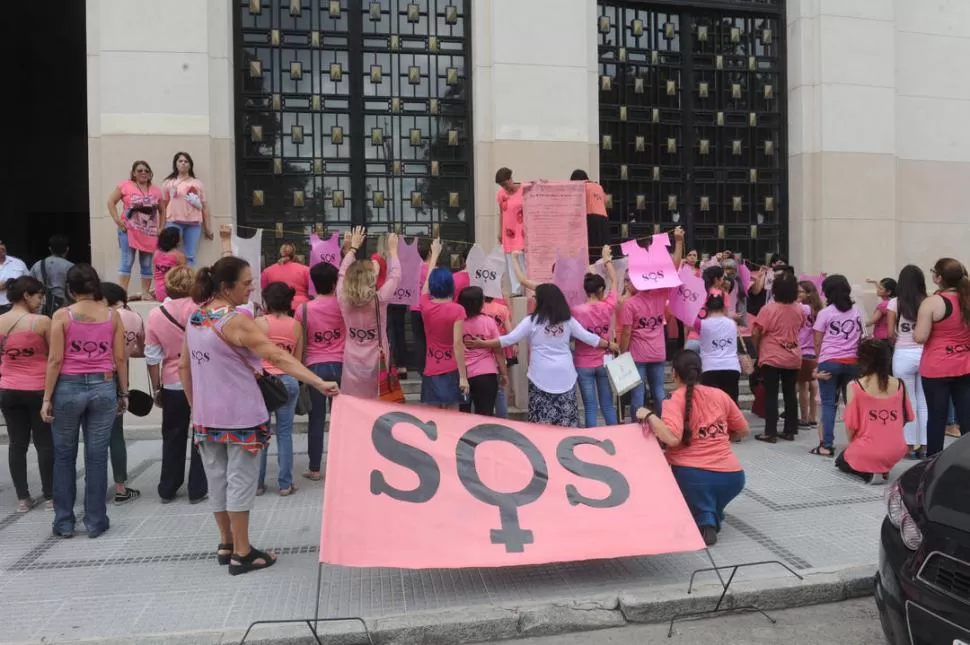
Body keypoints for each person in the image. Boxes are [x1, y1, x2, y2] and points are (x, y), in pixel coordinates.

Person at [179, 256, 339, 575]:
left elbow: (185, 366)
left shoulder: (196, 316)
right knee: (240, 481)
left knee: (217, 481)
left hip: (205, 416)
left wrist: (196, 406)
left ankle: (226, 543)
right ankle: (243, 552)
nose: (252, 289)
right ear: (227, 287)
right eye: (246, 283)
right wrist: (318, 381)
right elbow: (276, 355)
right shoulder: (235, 320)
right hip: (240, 415)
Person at [42, 264, 129, 538]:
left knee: (64, 455)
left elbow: (55, 359)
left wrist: (47, 398)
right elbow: (120, 359)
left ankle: (64, 521)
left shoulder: (62, 316)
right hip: (104, 386)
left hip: (68, 386)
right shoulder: (113, 316)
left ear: (70, 289)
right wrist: (123, 392)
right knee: (97, 455)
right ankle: (95, 520)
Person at [637, 350, 749, 546]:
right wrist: (718, 438)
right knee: (706, 502)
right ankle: (709, 517)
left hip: (694, 477)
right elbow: (742, 429)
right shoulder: (720, 395)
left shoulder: (674, 400)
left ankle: (705, 519)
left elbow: (672, 439)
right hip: (733, 477)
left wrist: (649, 415)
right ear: (700, 371)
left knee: (695, 495)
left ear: (673, 373)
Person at [468, 283, 617, 427]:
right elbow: (589, 338)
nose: (535, 300)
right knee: (565, 422)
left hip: (540, 375)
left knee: (541, 425)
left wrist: (484, 344)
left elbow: (509, 339)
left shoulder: (532, 321)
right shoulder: (567, 321)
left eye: (536, 297)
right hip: (565, 375)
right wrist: (610, 345)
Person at [145, 266, 207, 504]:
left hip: (172, 382)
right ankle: (197, 487)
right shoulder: (201, 310)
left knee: (172, 435)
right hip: (202, 380)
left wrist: (157, 387)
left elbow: (152, 355)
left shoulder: (156, 314)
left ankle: (168, 486)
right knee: (201, 433)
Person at [0, 277, 53, 512]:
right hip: (38, 389)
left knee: (17, 443)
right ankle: (50, 495)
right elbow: (54, 356)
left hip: (9, 388)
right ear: (26, 296)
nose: (41, 300)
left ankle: (23, 498)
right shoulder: (42, 322)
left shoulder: (0, 321)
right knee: (44, 443)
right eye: (39, 296)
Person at [914, 257, 970, 457]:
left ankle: (933, 464)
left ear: (938, 277)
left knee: (937, 418)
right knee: (967, 417)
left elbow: (920, 337)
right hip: (965, 366)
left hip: (937, 367)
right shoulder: (967, 299)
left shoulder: (932, 303)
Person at [336, 227, 401, 398]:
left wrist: (353, 249)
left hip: (352, 361)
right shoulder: (379, 300)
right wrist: (393, 251)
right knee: (378, 401)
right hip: (377, 361)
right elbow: (395, 276)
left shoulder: (343, 299)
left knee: (355, 403)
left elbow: (342, 273)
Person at [294, 261, 345, 481]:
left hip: (315, 368)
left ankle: (315, 467)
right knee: (341, 419)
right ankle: (341, 465)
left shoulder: (303, 309)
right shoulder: (343, 305)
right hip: (342, 364)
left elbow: (301, 340)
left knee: (316, 419)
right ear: (335, 282)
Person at [837, 339, 911, 483]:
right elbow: (905, 418)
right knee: (872, 453)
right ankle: (882, 468)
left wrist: (853, 443)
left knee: (841, 461)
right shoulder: (900, 384)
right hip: (897, 449)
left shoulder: (855, 386)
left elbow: (851, 426)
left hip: (867, 450)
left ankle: (870, 473)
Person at [255, 282, 302, 496]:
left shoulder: (259, 323)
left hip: (264, 383)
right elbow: (297, 360)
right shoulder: (296, 325)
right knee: (285, 433)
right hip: (289, 381)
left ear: (267, 300)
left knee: (261, 432)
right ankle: (285, 483)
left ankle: (257, 483)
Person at [101, 282, 145, 505]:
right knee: (116, 435)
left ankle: (96, 488)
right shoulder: (135, 317)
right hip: (121, 377)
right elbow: (141, 349)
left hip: (101, 377)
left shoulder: (106, 317)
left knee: (96, 435)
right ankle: (121, 487)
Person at [812, 274, 865, 457]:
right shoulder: (856, 311)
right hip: (852, 362)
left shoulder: (825, 313)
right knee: (851, 404)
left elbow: (817, 342)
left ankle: (826, 445)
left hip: (829, 362)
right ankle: (856, 442)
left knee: (828, 403)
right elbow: (861, 336)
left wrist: (819, 364)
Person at [752, 274, 804, 442]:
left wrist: (758, 349)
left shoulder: (769, 309)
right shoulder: (799, 309)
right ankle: (790, 429)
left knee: (771, 394)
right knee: (790, 393)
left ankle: (771, 431)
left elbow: (756, 332)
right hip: (793, 355)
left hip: (772, 355)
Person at [572, 246, 619, 427]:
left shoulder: (576, 311)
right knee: (608, 405)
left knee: (590, 406)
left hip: (583, 364)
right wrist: (606, 259)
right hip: (604, 360)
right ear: (601, 290)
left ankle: (593, 442)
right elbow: (615, 281)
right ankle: (614, 437)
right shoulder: (608, 306)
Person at [420, 239, 468, 407]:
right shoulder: (458, 310)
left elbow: (426, 285)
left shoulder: (425, 305)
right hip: (451, 369)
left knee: (432, 422)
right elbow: (457, 343)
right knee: (452, 421)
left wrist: (434, 256)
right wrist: (463, 376)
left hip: (431, 368)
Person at [886, 265, 928, 459]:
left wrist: (901, 340)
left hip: (903, 354)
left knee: (907, 401)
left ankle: (909, 445)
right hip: (924, 353)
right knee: (924, 401)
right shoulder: (928, 302)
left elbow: (889, 334)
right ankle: (926, 446)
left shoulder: (895, 303)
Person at [107, 160, 165, 298]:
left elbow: (162, 210)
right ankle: (122, 293)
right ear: (133, 173)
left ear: (150, 174)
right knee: (127, 261)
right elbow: (111, 202)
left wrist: (161, 228)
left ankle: (145, 292)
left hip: (149, 233)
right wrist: (118, 220)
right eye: (139, 170)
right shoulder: (125, 186)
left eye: (146, 170)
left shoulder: (156, 190)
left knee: (146, 263)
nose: (143, 173)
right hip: (128, 230)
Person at [457, 286, 507, 416]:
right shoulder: (489, 322)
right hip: (486, 373)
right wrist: (504, 373)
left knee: (462, 415)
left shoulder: (457, 324)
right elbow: (497, 350)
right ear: (480, 303)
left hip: (462, 374)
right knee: (485, 414)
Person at [161, 152, 213, 266]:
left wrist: (208, 227)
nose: (183, 163)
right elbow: (163, 206)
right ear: (175, 164)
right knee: (171, 254)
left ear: (190, 165)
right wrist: (160, 226)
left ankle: (188, 283)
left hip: (193, 223)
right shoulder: (169, 183)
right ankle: (172, 281)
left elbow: (205, 206)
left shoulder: (197, 183)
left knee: (190, 256)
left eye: (186, 161)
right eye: (180, 161)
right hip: (173, 221)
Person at [696, 290, 741, 404]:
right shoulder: (732, 323)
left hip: (709, 368)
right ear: (723, 307)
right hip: (731, 366)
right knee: (730, 406)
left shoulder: (702, 324)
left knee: (711, 406)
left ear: (707, 308)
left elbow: (689, 321)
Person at [796, 280, 824, 429]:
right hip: (814, 351)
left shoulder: (803, 308)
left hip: (802, 350)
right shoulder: (819, 309)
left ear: (808, 293)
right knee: (813, 384)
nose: (797, 294)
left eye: (800, 291)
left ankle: (804, 418)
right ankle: (813, 417)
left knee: (802, 386)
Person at [495, 167, 526, 296]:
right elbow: (501, 213)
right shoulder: (501, 194)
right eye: (501, 185)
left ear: (510, 179)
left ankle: (527, 288)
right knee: (511, 262)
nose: (504, 187)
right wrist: (500, 231)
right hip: (508, 232)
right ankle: (516, 290)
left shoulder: (524, 190)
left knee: (523, 260)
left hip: (522, 231)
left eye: (505, 184)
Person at [570, 169, 609, 264]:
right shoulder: (599, 186)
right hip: (603, 219)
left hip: (591, 217)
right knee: (602, 246)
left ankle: (592, 266)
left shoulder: (583, 187)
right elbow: (606, 201)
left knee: (591, 246)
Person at [29, 234, 73, 315]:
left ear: (50, 249)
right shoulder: (71, 267)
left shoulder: (37, 265)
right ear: (67, 249)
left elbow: (28, 284)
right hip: (64, 307)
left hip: (42, 306)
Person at [260, 243, 310, 310]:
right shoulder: (305, 270)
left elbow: (263, 292)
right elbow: (312, 291)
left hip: (277, 309)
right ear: (294, 253)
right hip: (302, 308)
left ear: (280, 253)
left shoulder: (267, 271)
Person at [153, 226, 186, 303]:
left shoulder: (156, 253)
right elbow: (184, 277)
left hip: (159, 293)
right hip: (173, 293)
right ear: (176, 241)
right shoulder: (179, 256)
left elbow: (155, 274)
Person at [0, 238, 29, 309]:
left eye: (2, 244)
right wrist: (5, 285)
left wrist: (16, 285)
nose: (2, 247)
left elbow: (29, 282)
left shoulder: (18, 263)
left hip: (15, 308)